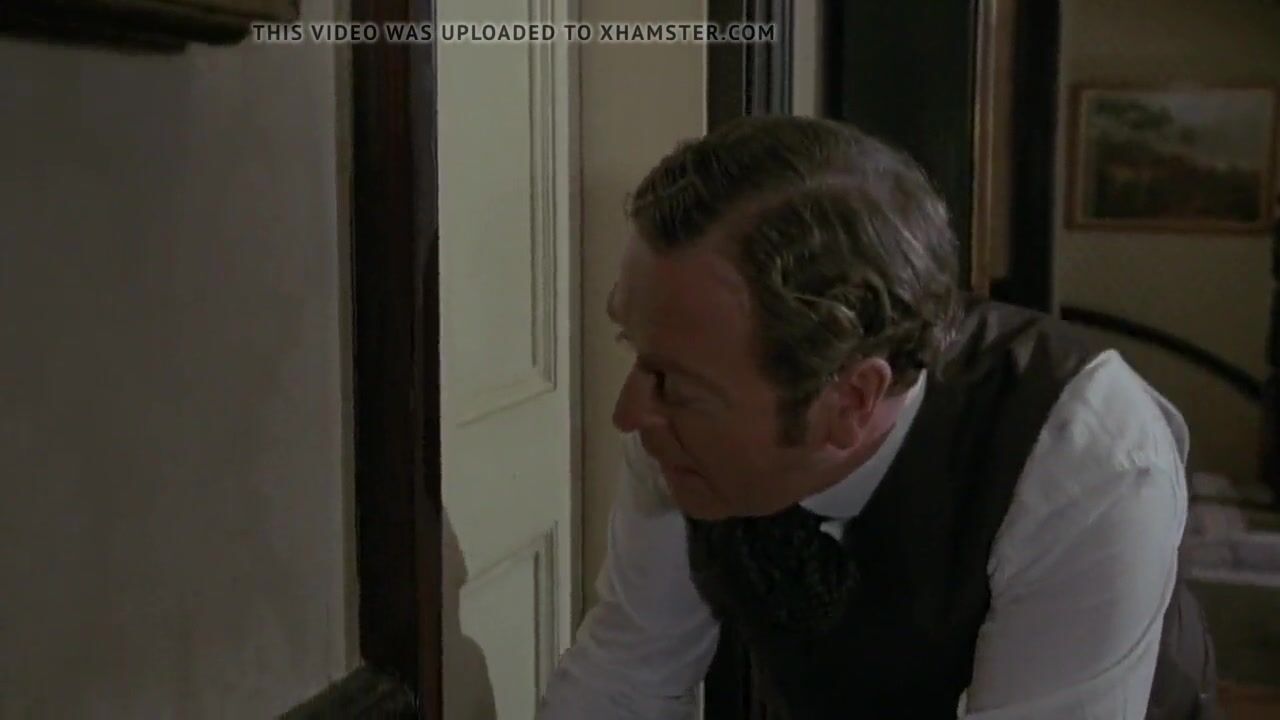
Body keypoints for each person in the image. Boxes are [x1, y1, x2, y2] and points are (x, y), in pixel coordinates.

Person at [537, 116, 1218, 719]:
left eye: (674, 384)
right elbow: (625, 678)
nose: (629, 413)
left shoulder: (1089, 456)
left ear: (853, 399)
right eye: (637, 353)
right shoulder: (679, 423)